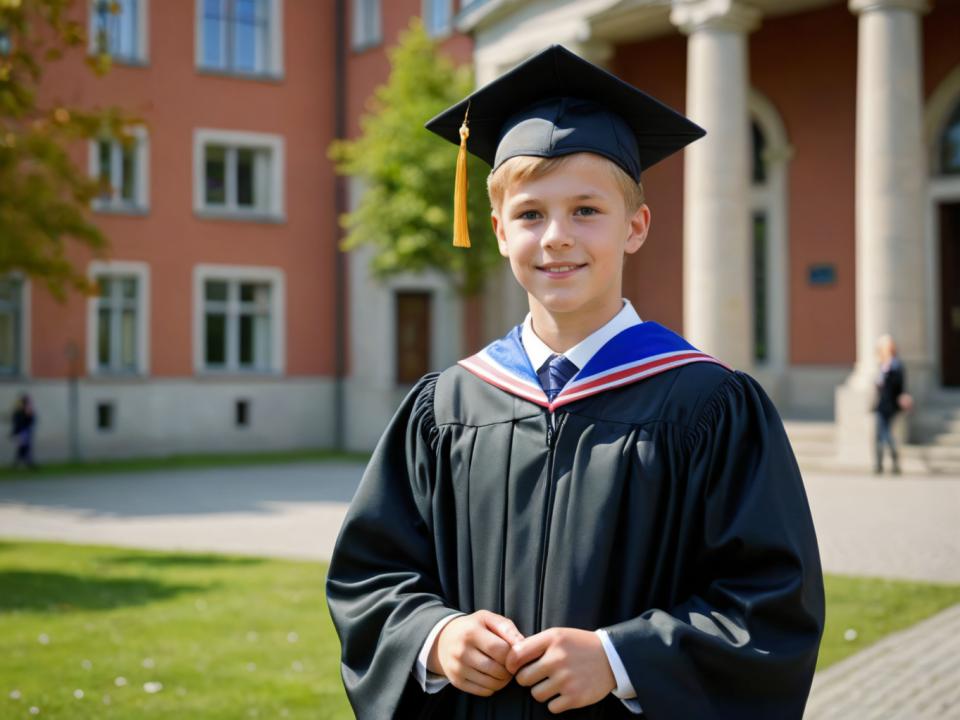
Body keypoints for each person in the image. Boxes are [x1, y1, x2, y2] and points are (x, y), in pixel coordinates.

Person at [326, 45, 824, 719]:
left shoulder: (707, 405)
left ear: (636, 226)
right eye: (530, 214)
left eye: (586, 210)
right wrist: (436, 637)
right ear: (499, 232)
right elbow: (371, 575)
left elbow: (770, 604)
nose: (556, 236)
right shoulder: (447, 407)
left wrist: (623, 660)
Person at [873, 334, 908, 475]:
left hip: (890, 404)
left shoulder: (895, 366)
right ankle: (880, 464)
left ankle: (893, 461)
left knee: (885, 433)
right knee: (879, 435)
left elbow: (899, 386)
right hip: (882, 404)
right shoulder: (883, 365)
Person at [10, 393, 37, 469]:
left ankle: (21, 463)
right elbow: (17, 421)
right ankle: (26, 463)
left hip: (25, 430)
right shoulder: (19, 410)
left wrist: (29, 414)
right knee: (24, 447)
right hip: (23, 431)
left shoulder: (26, 410)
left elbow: (31, 420)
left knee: (24, 447)